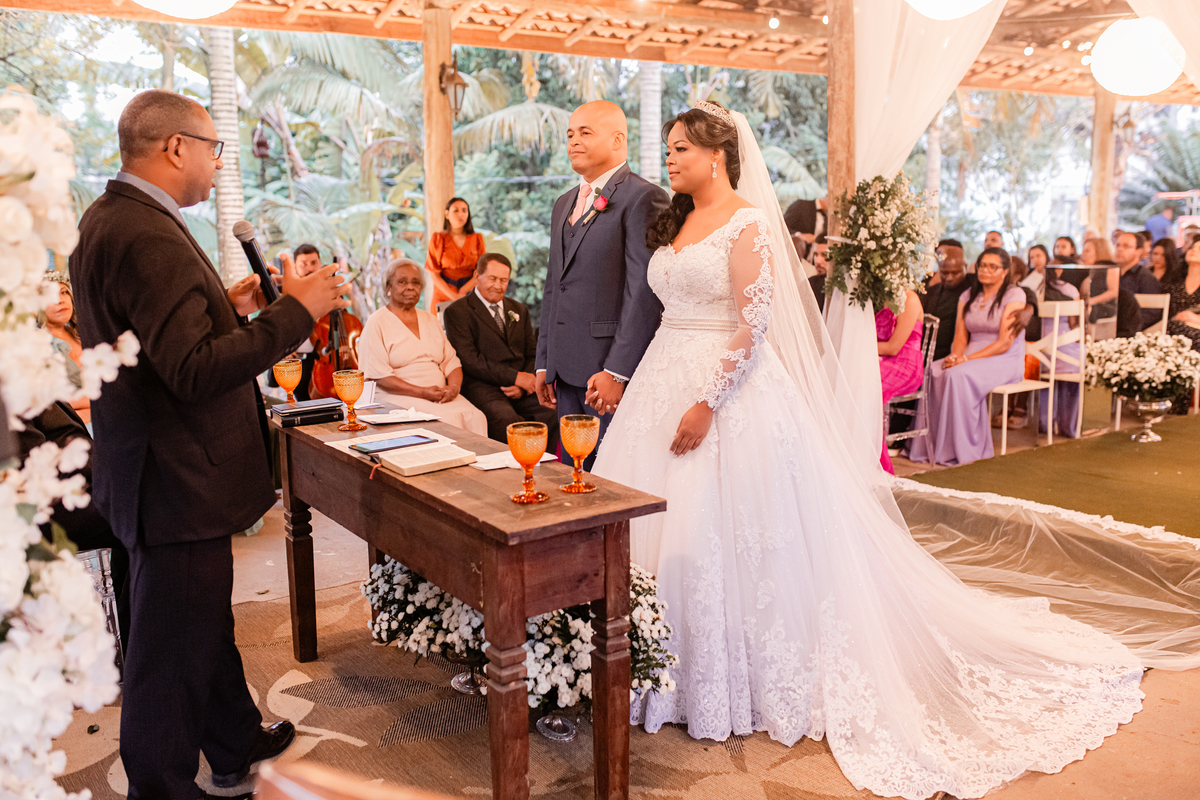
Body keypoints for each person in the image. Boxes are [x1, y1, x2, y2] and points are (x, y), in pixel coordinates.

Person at [591, 101, 1142, 800]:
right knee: (652, 523)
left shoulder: (747, 223)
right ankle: (650, 668)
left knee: (726, 530)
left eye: (681, 148)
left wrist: (707, 402)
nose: (669, 158)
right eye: (668, 148)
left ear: (718, 155)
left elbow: (752, 326)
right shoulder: (673, 222)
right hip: (659, 378)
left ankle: (731, 680)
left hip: (724, 393)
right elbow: (659, 309)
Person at [69, 89, 348, 800]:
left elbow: (154, 336)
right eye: (214, 148)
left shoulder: (110, 216)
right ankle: (160, 785)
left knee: (199, 617)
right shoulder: (149, 233)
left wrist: (229, 305)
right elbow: (191, 370)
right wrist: (295, 312)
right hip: (176, 477)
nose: (219, 164)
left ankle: (232, 739)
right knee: (168, 653)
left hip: (150, 467)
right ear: (176, 147)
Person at [535, 100, 669, 467]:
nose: (574, 142)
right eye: (570, 135)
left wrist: (616, 371)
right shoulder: (563, 203)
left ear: (617, 140)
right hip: (564, 370)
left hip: (607, 372)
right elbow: (554, 286)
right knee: (572, 473)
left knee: (610, 473)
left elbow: (643, 292)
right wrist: (544, 362)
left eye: (585, 133)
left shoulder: (643, 197)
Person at [909, 248, 1027, 466]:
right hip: (970, 354)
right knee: (934, 370)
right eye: (982, 265)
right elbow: (961, 335)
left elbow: (1005, 342)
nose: (985, 270)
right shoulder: (969, 295)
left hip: (1004, 357)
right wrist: (956, 355)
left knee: (958, 375)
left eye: (993, 267)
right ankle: (931, 447)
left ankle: (965, 448)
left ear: (1004, 272)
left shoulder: (1014, 295)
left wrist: (966, 360)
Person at [443, 253, 559, 450]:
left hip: (521, 386)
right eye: (493, 279)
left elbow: (532, 352)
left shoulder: (519, 309)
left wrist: (524, 383)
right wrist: (515, 378)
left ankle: (541, 464)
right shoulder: (457, 312)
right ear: (477, 276)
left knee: (550, 413)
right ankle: (513, 467)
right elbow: (470, 360)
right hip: (483, 386)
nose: (498, 285)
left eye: (503, 280)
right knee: (507, 420)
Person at [359, 258, 488, 435]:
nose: (410, 287)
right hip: (398, 397)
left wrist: (453, 388)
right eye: (402, 282)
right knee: (444, 422)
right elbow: (379, 376)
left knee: (476, 416)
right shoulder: (376, 322)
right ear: (388, 287)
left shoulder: (431, 319)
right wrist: (422, 392)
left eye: (416, 282)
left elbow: (452, 362)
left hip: (440, 396)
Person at [877, 288, 924, 473]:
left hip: (906, 363)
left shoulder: (910, 300)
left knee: (869, 388)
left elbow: (893, 347)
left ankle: (877, 462)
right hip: (879, 360)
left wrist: (857, 345)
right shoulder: (873, 296)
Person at [1036, 263, 1084, 438]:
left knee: (1048, 373)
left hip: (1040, 354)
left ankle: (1044, 422)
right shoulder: (1070, 291)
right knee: (1080, 358)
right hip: (1066, 354)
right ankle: (1069, 425)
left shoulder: (1034, 290)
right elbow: (1074, 323)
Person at [39, 272, 91, 423]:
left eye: (64, 292)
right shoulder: (39, 346)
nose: (60, 300)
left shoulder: (86, 333)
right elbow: (55, 403)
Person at [919, 239, 977, 361]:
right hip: (926, 351)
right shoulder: (932, 291)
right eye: (945, 273)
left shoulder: (975, 284)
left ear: (965, 267)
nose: (949, 278)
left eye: (955, 273)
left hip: (957, 353)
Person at [425, 197, 486, 308]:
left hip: (470, 294)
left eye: (464, 210)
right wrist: (454, 296)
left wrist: (463, 291)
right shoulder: (437, 238)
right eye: (456, 210)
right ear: (447, 214)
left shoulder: (477, 238)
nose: (460, 214)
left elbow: (481, 270)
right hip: (443, 296)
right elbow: (434, 273)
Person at [1113, 231, 1163, 331]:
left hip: (1130, 331)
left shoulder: (1146, 278)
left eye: (1126, 246)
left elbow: (1152, 313)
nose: (1119, 249)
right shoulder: (1110, 274)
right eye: (1118, 245)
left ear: (1139, 251)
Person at [1166, 239, 1200, 351]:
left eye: (1199, 249)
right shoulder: (1173, 281)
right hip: (1171, 329)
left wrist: (1195, 318)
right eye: (1192, 247)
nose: (1194, 250)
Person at [1081, 236, 1118, 322]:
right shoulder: (1088, 271)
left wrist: (1091, 301)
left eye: (1087, 251)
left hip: (1106, 307)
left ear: (1099, 251)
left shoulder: (1110, 268)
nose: (1083, 254)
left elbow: (1114, 292)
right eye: (1083, 250)